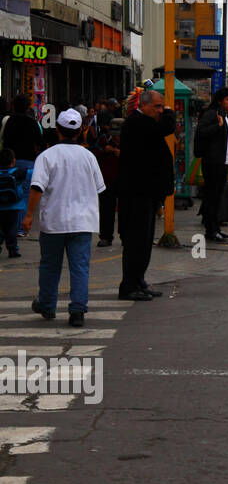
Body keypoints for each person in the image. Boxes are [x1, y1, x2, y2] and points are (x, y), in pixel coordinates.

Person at [24, 109, 104, 328]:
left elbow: (37, 188)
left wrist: (29, 215)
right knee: (80, 267)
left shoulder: (47, 156)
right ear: (79, 131)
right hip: (83, 223)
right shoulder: (89, 157)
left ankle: (47, 306)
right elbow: (99, 188)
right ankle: (77, 311)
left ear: (57, 130)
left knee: (50, 266)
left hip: (54, 222)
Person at [116, 90, 175, 300]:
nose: (160, 111)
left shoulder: (147, 123)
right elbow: (167, 127)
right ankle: (129, 285)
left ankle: (139, 280)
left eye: (162, 107)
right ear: (145, 105)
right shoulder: (137, 123)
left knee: (145, 241)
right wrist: (169, 112)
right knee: (136, 242)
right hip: (136, 194)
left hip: (148, 193)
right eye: (157, 107)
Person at [195, 88, 228, 243]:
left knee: (217, 197)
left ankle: (216, 228)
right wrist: (218, 127)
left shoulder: (223, 114)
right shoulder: (212, 113)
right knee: (212, 197)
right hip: (213, 162)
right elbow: (202, 132)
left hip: (221, 162)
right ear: (220, 100)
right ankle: (211, 230)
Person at [2, 95, 42, 233]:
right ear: (27, 107)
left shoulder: (9, 122)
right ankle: (21, 228)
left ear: (13, 106)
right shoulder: (32, 123)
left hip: (11, 163)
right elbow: (40, 142)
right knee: (25, 195)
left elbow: (5, 141)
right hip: (28, 162)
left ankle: (10, 227)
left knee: (10, 194)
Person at [91, 111, 121, 246]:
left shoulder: (130, 141)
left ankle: (125, 236)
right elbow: (94, 155)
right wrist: (105, 150)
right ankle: (105, 236)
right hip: (105, 181)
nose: (117, 139)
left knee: (125, 210)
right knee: (106, 210)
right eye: (115, 136)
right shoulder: (103, 140)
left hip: (123, 180)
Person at [0, 150, 27, 258]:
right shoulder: (17, 172)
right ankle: (12, 249)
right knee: (11, 228)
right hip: (13, 207)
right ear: (13, 161)